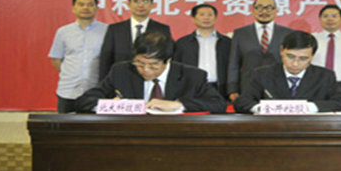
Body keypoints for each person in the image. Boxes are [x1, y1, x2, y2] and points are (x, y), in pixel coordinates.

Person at [76, 31, 227, 113]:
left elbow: (218, 104)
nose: (145, 70)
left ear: (168, 60)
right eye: (139, 63)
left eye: (154, 65)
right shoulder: (121, 71)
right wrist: (108, 105)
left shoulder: (192, 76)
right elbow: (84, 101)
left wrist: (177, 105)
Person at [233, 31, 341, 113]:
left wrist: (310, 107)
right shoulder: (262, 74)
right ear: (281, 51)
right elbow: (242, 102)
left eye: (303, 59)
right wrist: (261, 108)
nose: (295, 63)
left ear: (312, 56)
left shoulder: (325, 76)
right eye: (290, 56)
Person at [48, 0, 108, 113]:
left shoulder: (108, 30)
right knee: (65, 123)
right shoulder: (63, 32)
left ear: (96, 8)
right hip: (68, 89)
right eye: (81, 4)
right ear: (74, 8)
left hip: (96, 90)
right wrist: (70, 72)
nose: (85, 8)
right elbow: (56, 59)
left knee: (95, 124)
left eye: (90, 5)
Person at [226, 0, 293, 101]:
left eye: (269, 7)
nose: (264, 11)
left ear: (276, 11)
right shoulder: (240, 33)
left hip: (278, 86)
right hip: (248, 86)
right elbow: (233, 64)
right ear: (253, 10)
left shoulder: (287, 33)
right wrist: (232, 89)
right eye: (260, 7)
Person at [98, 0, 172, 80]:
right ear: (129, 4)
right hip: (121, 78)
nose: (141, 5)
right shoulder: (115, 29)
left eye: (145, 1)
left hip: (151, 77)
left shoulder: (162, 29)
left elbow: (166, 57)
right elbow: (106, 58)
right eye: (136, 1)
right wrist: (104, 82)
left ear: (152, 5)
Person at [173, 4, 231, 98]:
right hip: (191, 88)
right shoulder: (182, 43)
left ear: (215, 18)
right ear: (193, 19)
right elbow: (176, 67)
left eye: (210, 15)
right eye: (202, 15)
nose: (206, 18)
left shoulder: (227, 42)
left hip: (220, 88)